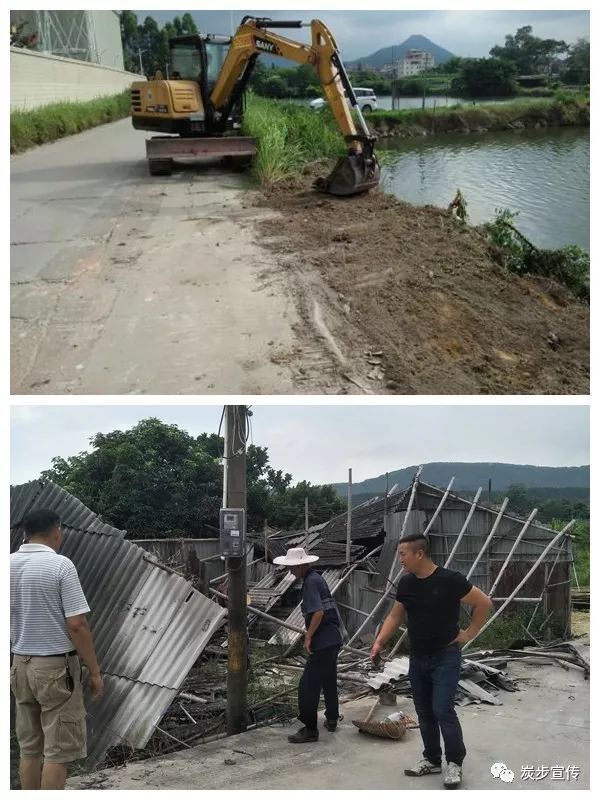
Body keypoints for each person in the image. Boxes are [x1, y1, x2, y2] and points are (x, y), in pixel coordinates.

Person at [370, 533, 493, 790]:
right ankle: (432, 759)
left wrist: (469, 634)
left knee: (442, 710)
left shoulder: (450, 580)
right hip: (418, 659)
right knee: (424, 712)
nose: (400, 559)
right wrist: (379, 641)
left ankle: (455, 763)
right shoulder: (407, 584)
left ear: (419, 554)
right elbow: (394, 616)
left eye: (403, 554)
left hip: (445, 657)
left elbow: (483, 603)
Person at [10, 509, 104, 790]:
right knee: (57, 752)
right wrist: (95, 671)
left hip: (19, 665)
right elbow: (77, 624)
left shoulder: (8, 564)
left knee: (29, 749)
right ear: (57, 531)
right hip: (53, 669)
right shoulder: (60, 565)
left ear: (26, 533)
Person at [273, 547, 342, 743]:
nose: (290, 571)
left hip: (323, 639)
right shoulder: (316, 578)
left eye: (293, 567)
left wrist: (308, 636)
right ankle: (332, 718)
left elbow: (318, 612)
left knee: (307, 685)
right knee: (328, 679)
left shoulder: (311, 582)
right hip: (332, 638)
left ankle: (310, 728)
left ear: (302, 565)